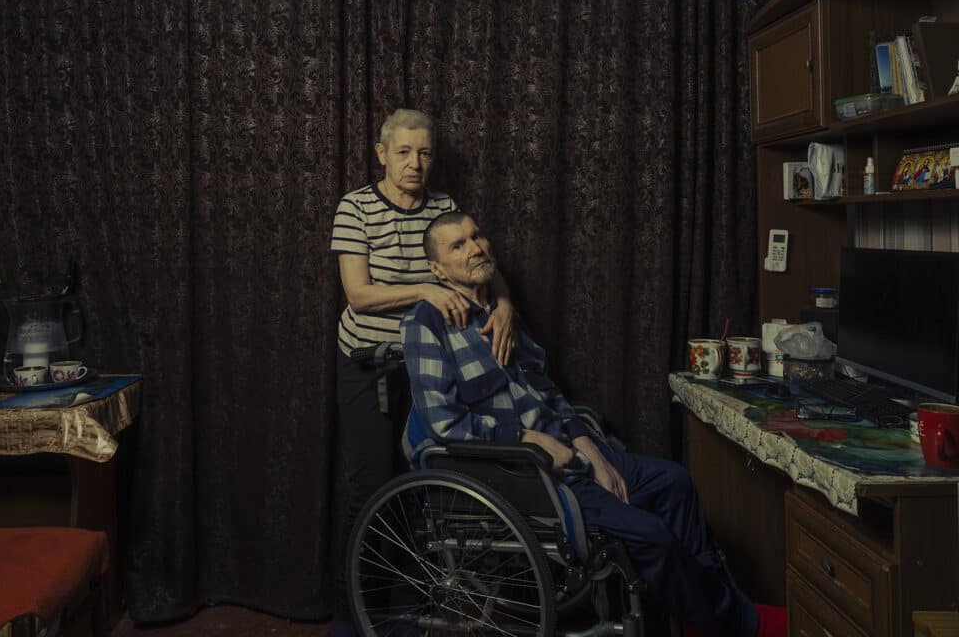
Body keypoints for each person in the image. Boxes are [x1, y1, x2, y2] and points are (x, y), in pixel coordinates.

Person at [400, 211, 787, 637]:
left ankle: (705, 610)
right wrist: (529, 439)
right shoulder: (425, 324)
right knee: (651, 534)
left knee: (675, 483)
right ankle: (738, 623)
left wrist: (592, 450)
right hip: (519, 470)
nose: (475, 247)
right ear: (437, 270)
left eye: (477, 236)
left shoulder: (501, 312)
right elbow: (443, 422)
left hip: (570, 453)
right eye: (458, 245)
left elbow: (549, 393)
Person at [327, 110, 516, 637]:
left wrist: (504, 306)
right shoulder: (356, 208)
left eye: (425, 152)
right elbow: (359, 295)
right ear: (382, 153)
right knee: (370, 491)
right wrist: (426, 291)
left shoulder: (445, 208)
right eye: (404, 151)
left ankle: (407, 616)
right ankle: (350, 619)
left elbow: (481, 268)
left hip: (429, 367)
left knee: (423, 488)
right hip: (367, 366)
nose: (416, 163)